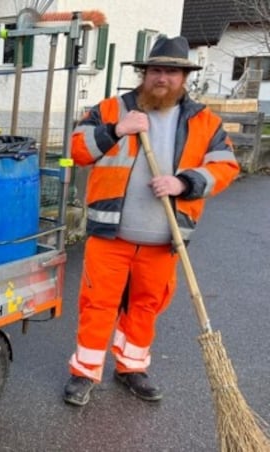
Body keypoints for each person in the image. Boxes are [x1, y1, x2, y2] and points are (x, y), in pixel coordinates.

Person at [62, 36, 240, 407]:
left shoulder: (205, 122)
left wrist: (183, 182)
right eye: (155, 70)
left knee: (146, 306)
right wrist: (115, 130)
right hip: (110, 236)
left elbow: (225, 166)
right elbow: (78, 149)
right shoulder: (112, 109)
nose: (162, 78)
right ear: (143, 74)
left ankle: (131, 367)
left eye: (171, 72)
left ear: (184, 78)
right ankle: (84, 373)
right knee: (98, 305)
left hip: (164, 239)